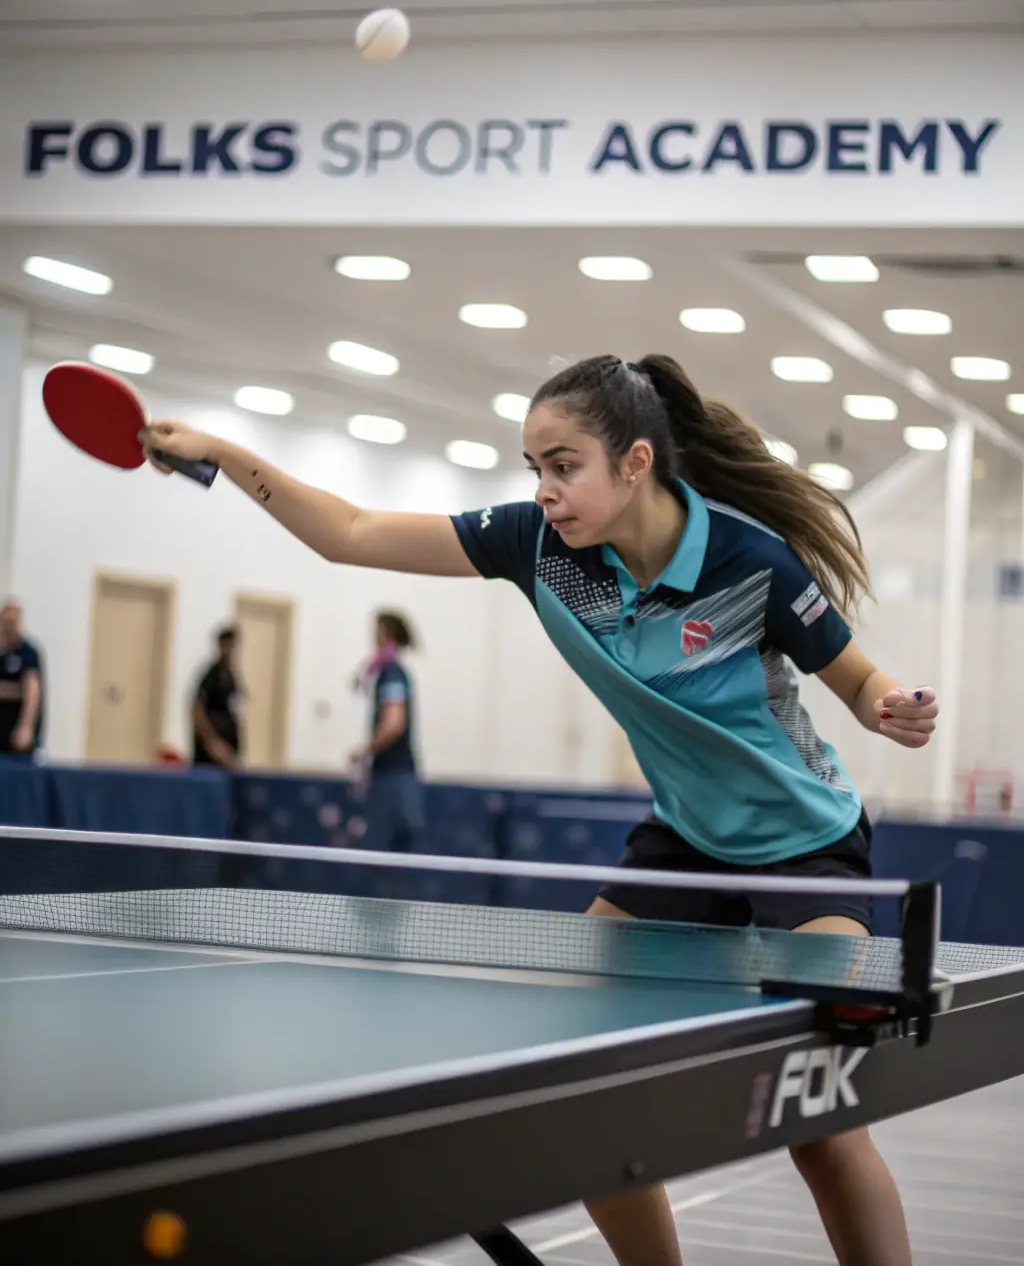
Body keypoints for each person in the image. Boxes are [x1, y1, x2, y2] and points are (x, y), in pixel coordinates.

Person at [144, 352, 939, 1266]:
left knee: (824, 1121)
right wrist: (223, 452)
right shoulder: (538, 549)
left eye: (565, 465)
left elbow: (857, 678)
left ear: (635, 463)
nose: (546, 489)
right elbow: (353, 530)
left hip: (807, 845)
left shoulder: (747, 558)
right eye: (536, 468)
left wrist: (890, 706)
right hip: (684, 842)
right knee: (582, 1100)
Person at [349, 610, 424, 852]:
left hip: (393, 777)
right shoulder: (388, 673)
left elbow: (394, 723)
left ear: (386, 634)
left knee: (381, 853)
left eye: (376, 630)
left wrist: (364, 750)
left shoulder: (392, 674)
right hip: (393, 774)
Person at [191, 625, 244, 768]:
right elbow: (197, 709)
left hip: (229, 750)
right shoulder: (211, 675)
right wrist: (212, 743)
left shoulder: (231, 676)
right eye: (229, 645)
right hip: (211, 753)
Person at [0, 599, 44, 759]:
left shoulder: (27, 653)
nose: (8, 627)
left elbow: (32, 690)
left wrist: (26, 726)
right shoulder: (2, 653)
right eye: (5, 623)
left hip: (16, 737)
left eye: (12, 622)